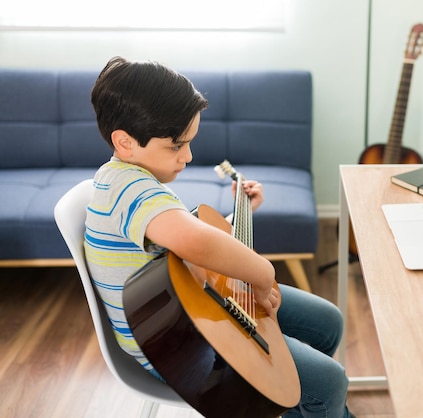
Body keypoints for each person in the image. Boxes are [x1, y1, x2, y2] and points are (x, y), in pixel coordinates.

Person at [85, 56, 353, 418]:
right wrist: (263, 275)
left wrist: (239, 215)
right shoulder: (127, 186)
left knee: (329, 321)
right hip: (178, 345)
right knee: (330, 382)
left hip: (189, 312)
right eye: (176, 146)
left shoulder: (129, 178)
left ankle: (296, 403)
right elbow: (194, 242)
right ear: (126, 141)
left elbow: (180, 249)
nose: (188, 156)